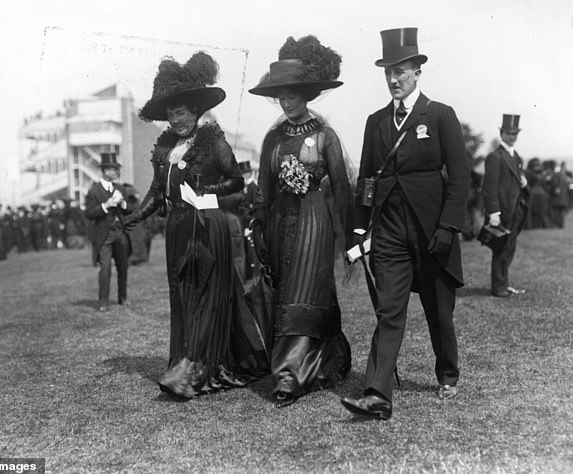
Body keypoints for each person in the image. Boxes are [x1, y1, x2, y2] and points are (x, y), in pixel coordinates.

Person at [124, 52, 271, 399]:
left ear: (195, 112)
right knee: (183, 296)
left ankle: (196, 369)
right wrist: (134, 216)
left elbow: (236, 181)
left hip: (208, 228)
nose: (176, 119)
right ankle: (184, 359)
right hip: (177, 229)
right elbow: (156, 193)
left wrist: (209, 193)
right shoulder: (166, 150)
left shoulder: (214, 142)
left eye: (182, 112)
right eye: (171, 114)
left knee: (206, 296)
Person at [341, 28, 469, 420]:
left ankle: (447, 374)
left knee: (438, 311)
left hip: (433, 233)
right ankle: (377, 393)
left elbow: (460, 176)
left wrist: (448, 228)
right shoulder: (375, 122)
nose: (394, 79)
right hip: (391, 233)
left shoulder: (440, 115)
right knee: (389, 310)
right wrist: (359, 229)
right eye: (388, 72)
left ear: (417, 72)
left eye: (401, 71)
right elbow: (366, 179)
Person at [249, 35, 353, 408]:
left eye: (292, 95)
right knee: (284, 291)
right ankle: (298, 367)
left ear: (306, 95)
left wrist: (352, 235)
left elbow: (342, 188)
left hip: (314, 223)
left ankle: (290, 376)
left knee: (306, 290)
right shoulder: (273, 139)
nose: (286, 101)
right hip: (280, 224)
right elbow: (263, 188)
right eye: (281, 96)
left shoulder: (325, 136)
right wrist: (258, 225)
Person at [482, 114, 528, 297]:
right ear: (501, 133)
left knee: (510, 248)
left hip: (516, 209)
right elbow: (489, 187)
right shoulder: (495, 157)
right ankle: (498, 286)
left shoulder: (515, 156)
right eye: (509, 133)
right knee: (500, 249)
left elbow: (516, 179)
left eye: (515, 133)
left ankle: (504, 283)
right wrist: (493, 212)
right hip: (503, 211)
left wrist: (523, 182)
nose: (512, 136)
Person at [84, 152, 132, 312]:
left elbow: (131, 210)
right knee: (105, 268)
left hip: (119, 233)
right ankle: (103, 301)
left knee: (123, 266)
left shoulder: (121, 189)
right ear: (104, 171)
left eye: (116, 169)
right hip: (104, 235)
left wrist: (123, 204)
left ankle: (122, 297)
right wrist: (107, 205)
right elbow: (89, 213)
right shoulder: (94, 191)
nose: (116, 172)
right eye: (113, 169)